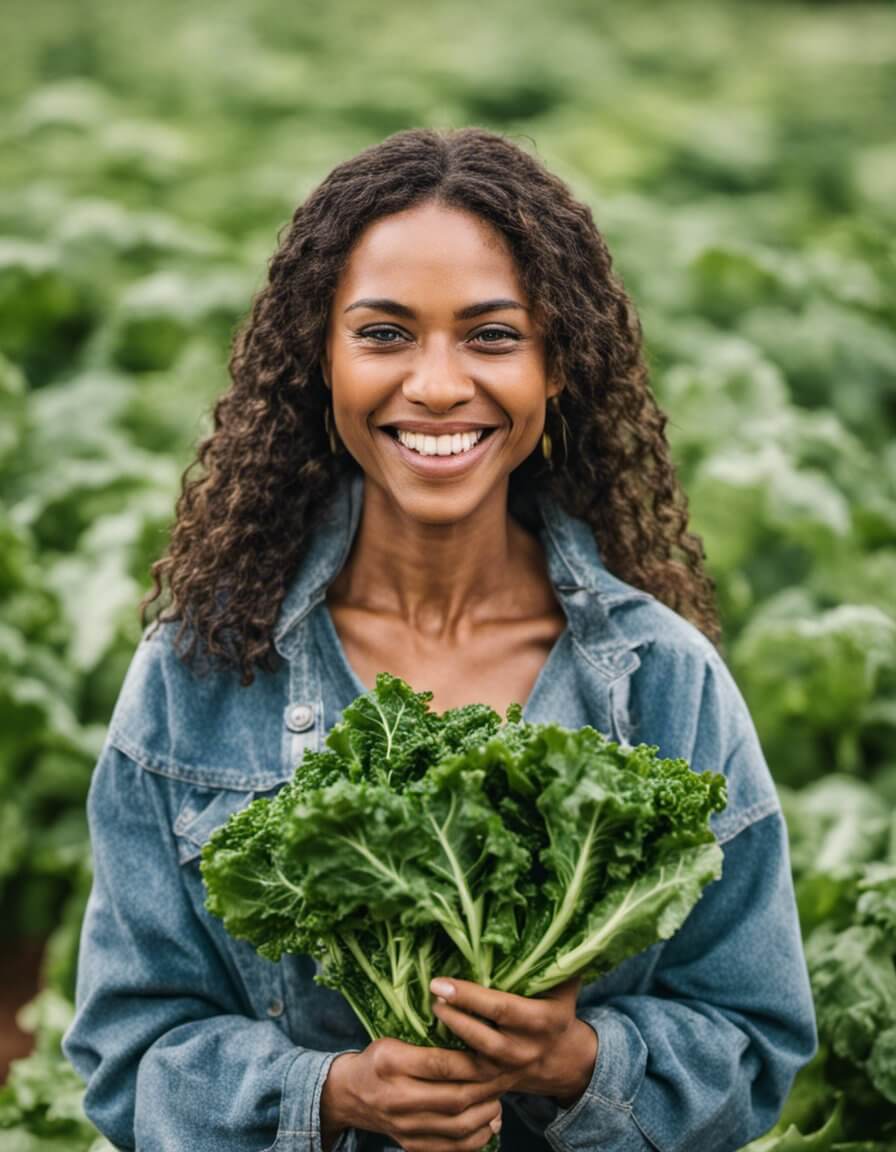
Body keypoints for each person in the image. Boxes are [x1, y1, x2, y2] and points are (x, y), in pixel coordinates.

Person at [62, 126, 817, 1152]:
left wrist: (575, 1067)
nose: (434, 385)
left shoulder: (663, 684)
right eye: (382, 334)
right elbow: (125, 1052)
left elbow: (755, 1043)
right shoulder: (199, 673)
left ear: (557, 367)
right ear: (316, 362)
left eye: (491, 336)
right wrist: (329, 1094)